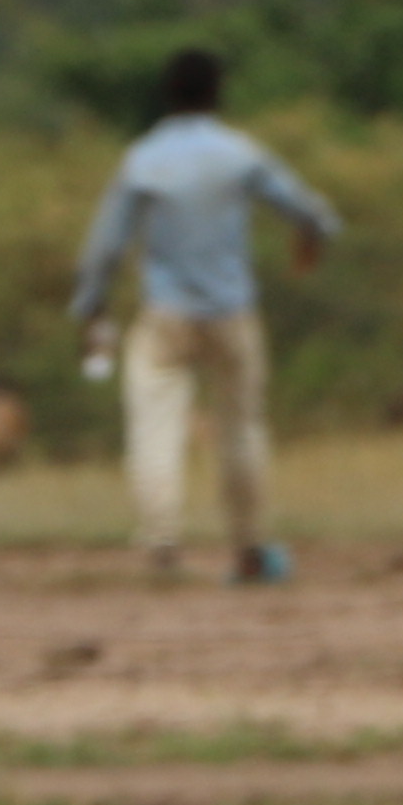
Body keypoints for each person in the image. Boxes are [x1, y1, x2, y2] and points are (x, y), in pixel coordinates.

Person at [68, 46, 339, 584]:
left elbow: (105, 246)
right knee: (242, 430)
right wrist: (311, 237)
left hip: (165, 313)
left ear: (168, 95)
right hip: (232, 311)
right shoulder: (239, 154)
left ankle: (162, 545)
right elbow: (309, 211)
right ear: (218, 93)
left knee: (154, 425)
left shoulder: (144, 158)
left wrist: (90, 304)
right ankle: (249, 549)